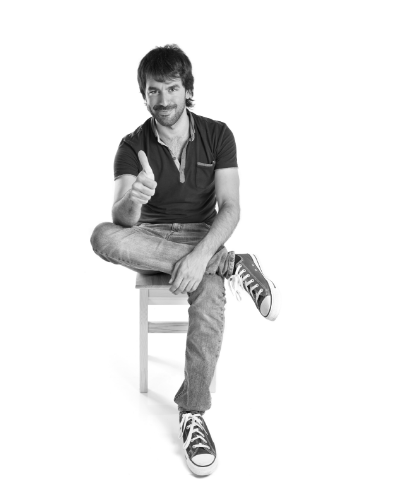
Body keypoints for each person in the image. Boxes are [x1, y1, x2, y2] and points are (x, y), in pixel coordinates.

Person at [90, 44, 280, 476]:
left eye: (172, 88)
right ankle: (232, 264)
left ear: (188, 89)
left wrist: (200, 256)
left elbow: (230, 207)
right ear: (143, 94)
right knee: (100, 236)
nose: (163, 100)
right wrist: (134, 199)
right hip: (150, 238)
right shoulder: (131, 145)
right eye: (153, 90)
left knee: (209, 294)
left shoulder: (218, 134)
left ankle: (193, 413)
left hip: (202, 235)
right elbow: (120, 221)